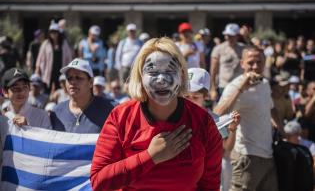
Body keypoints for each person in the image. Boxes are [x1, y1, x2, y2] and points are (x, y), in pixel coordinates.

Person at [90, 37, 223, 191]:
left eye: (169, 71)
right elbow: (99, 182)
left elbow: (210, 186)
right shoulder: (121, 116)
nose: (161, 80)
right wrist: (150, 157)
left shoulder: (202, 122)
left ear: (181, 74)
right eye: (152, 71)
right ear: (140, 76)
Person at [214, 46, 281, 191]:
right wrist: (240, 89)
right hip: (246, 157)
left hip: (268, 156)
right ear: (242, 63)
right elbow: (217, 113)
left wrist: (281, 129)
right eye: (251, 62)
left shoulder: (264, 83)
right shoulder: (234, 86)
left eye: (259, 62)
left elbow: (271, 108)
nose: (255, 66)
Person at [185, 67, 240, 191]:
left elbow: (226, 149)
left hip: (206, 176)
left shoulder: (214, 120)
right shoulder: (177, 116)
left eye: (195, 97)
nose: (190, 101)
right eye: (186, 96)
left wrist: (233, 129)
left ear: (205, 97)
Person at [49, 58, 116, 133]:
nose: (73, 82)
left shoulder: (110, 110)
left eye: (78, 78)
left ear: (90, 82)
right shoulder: (57, 112)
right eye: (69, 78)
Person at [210, 23, 244, 101]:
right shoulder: (218, 49)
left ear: (237, 36)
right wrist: (212, 89)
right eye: (227, 35)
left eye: (232, 36)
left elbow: (257, 51)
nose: (229, 38)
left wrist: (247, 37)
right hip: (223, 87)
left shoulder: (243, 48)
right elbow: (213, 71)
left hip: (239, 87)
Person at [36, 22, 73, 92]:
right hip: (47, 72)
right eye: (51, 32)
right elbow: (39, 58)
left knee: (60, 90)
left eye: (55, 32)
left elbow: (69, 57)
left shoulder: (64, 43)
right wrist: (37, 69)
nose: (53, 34)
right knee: (46, 90)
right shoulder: (45, 43)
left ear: (58, 33)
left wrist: (70, 69)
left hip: (60, 71)